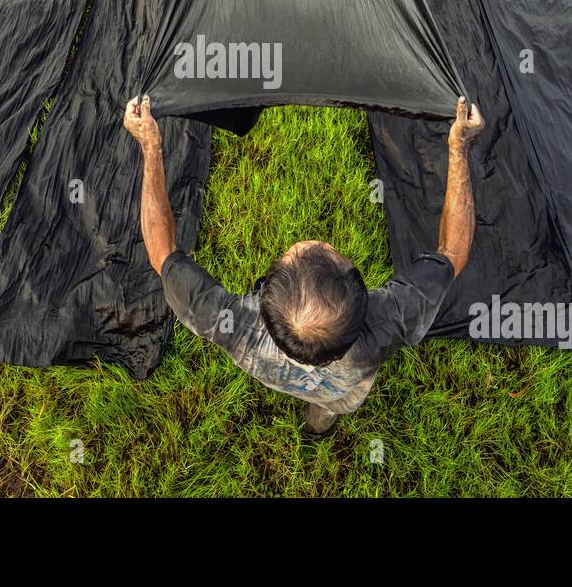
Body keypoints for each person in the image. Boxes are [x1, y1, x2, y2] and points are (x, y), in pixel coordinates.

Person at [123, 94, 484, 439]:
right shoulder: (384, 326)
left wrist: (151, 148)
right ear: (365, 304)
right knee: (329, 407)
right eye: (325, 251)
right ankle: (318, 426)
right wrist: (458, 147)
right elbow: (453, 253)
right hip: (344, 390)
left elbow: (162, 253)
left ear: (265, 303)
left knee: (317, 400)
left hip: (272, 373)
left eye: (294, 255)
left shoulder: (236, 329)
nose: (311, 242)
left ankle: (314, 424)